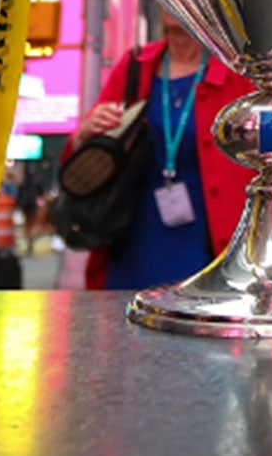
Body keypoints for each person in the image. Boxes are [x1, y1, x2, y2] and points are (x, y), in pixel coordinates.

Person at [66, 17, 254, 290]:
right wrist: (87, 132)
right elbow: (84, 152)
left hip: (213, 242)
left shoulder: (235, 71)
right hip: (136, 240)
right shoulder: (136, 65)